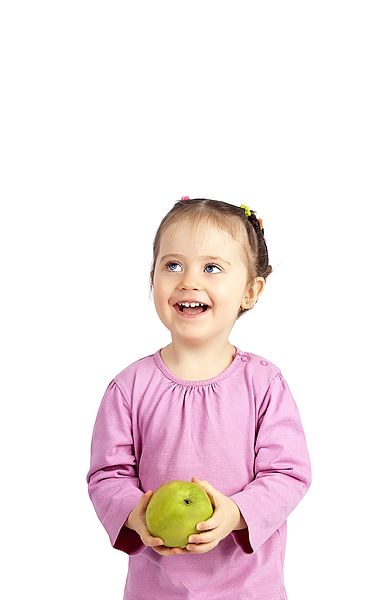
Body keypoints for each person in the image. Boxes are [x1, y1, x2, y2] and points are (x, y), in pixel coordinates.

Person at [86, 197, 312, 600]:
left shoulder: (264, 384)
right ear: (151, 278)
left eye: (212, 268)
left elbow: (288, 473)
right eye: (172, 265)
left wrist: (237, 513)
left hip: (249, 590)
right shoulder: (128, 388)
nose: (189, 280)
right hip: (156, 590)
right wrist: (135, 513)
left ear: (250, 291)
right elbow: (107, 474)